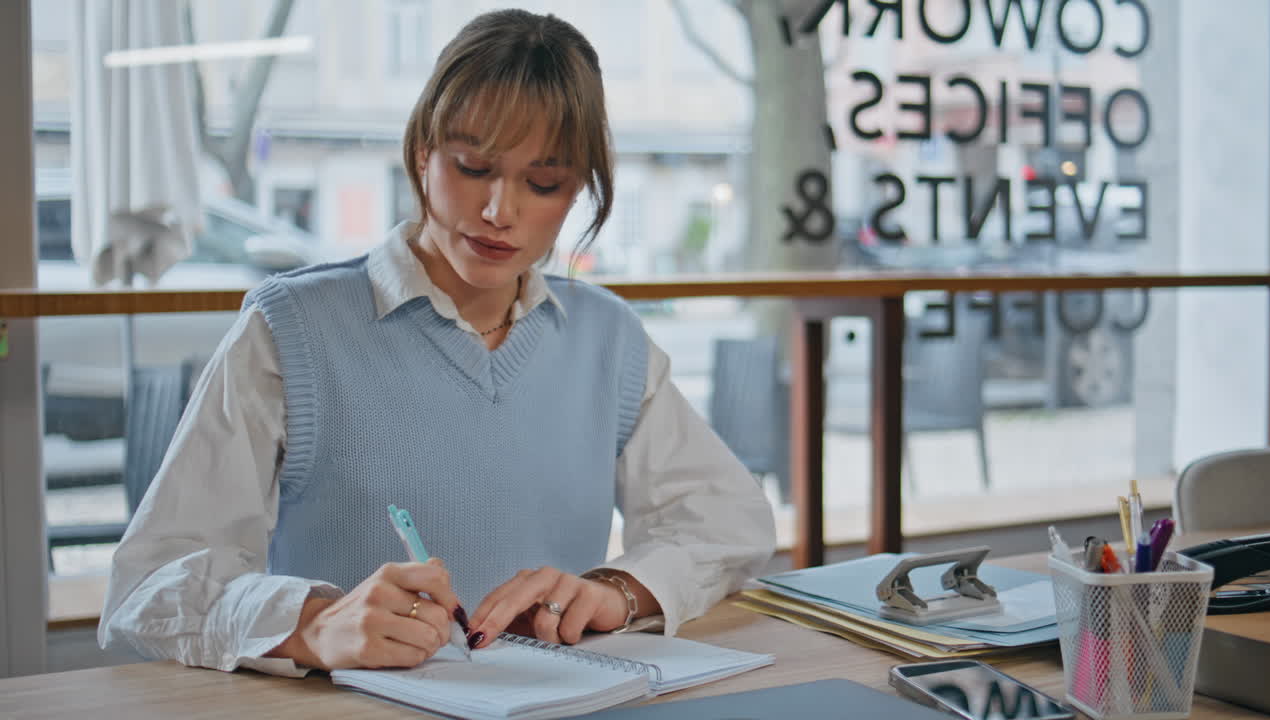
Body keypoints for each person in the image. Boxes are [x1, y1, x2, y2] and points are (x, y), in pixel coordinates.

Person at [99, 9, 775, 676]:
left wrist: (615, 591)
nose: (498, 212)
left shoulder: (608, 338)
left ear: (578, 192)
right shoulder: (289, 328)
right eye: (473, 166)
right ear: (422, 149)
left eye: (544, 183)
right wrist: (310, 625)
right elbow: (151, 582)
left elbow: (729, 523)